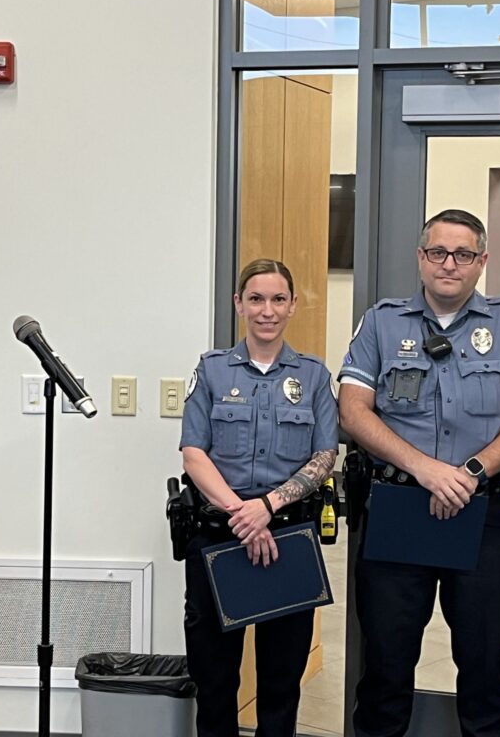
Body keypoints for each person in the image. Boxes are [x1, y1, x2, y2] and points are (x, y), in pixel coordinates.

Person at [339, 209, 500, 737]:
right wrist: (427, 470)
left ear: (482, 261)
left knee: (485, 664)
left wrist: (471, 472)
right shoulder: (381, 323)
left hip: (482, 513)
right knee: (386, 665)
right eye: (438, 252)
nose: (449, 264)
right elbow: (352, 410)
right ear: (421, 257)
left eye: (463, 254)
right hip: (400, 510)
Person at [179, 258, 339, 737]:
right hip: (218, 536)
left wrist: (266, 508)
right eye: (256, 299)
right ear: (239, 304)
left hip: (288, 539)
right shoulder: (211, 371)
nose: (266, 310)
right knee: (214, 681)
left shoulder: (313, 376)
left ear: (292, 305)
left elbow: (325, 455)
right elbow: (193, 454)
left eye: (277, 299)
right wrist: (244, 516)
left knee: (281, 684)